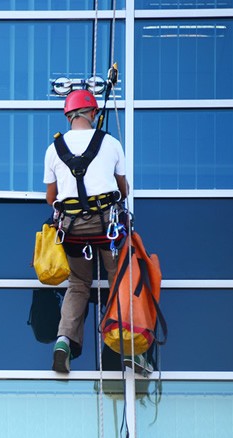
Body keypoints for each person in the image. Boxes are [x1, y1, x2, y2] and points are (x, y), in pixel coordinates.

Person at [43, 89, 135, 374]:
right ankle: (126, 342)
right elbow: (123, 190)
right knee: (118, 280)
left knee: (78, 284)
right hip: (106, 230)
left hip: (72, 231)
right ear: (93, 113)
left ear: (68, 116)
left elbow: (51, 198)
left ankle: (63, 341)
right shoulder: (111, 143)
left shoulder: (54, 149)